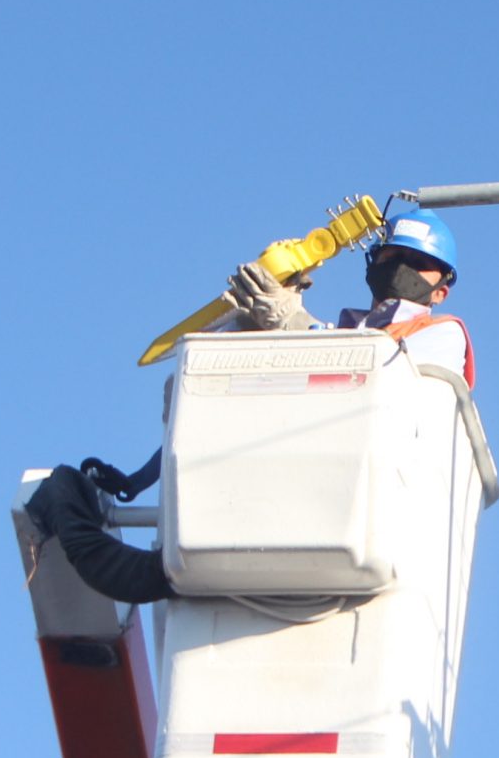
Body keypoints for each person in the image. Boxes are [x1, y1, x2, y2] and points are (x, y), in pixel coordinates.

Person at [25, 212, 473, 603]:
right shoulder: (341, 328)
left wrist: (293, 323)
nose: (402, 268)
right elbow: (210, 406)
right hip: (270, 488)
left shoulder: (442, 334)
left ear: (441, 290)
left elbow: (381, 376)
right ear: (372, 262)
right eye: (392, 256)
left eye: (419, 264)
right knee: (230, 345)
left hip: (356, 503)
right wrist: (252, 326)